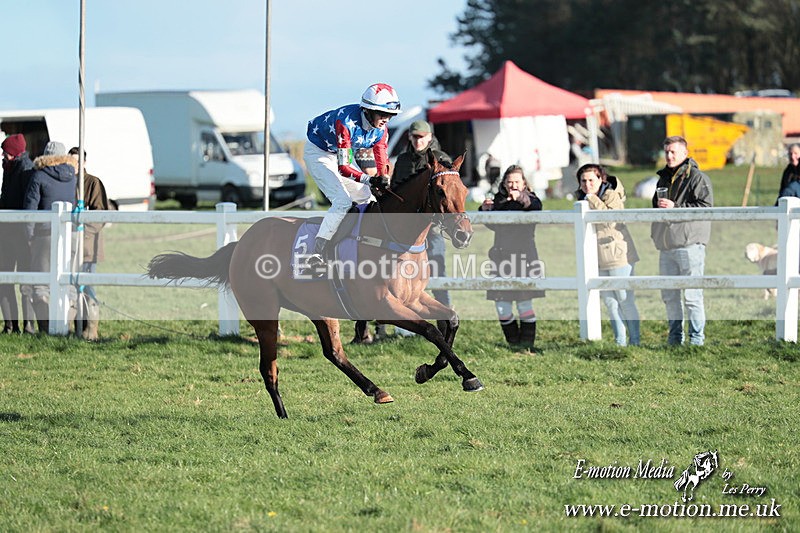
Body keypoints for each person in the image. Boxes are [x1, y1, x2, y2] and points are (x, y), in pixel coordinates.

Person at [303, 83, 400, 271]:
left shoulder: (382, 128)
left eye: (390, 115)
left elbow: (381, 157)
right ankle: (316, 253)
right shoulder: (345, 122)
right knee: (342, 201)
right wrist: (370, 180)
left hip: (336, 152)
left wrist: (383, 178)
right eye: (382, 114)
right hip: (318, 153)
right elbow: (344, 168)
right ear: (368, 110)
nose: (386, 120)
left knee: (368, 198)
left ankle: (361, 245)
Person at [651, 136, 713, 346]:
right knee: (669, 295)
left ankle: (696, 340)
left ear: (685, 153)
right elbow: (656, 207)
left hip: (690, 244)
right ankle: (675, 338)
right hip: (666, 244)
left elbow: (705, 208)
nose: (669, 155)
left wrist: (675, 208)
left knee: (692, 295)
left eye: (673, 152)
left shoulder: (697, 178)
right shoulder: (663, 179)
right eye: (667, 151)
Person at [393, 120, 453, 336]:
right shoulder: (402, 160)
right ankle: (407, 324)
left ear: (429, 137)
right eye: (414, 136)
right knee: (401, 275)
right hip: (405, 230)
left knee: (438, 271)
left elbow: (447, 194)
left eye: (421, 137)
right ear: (409, 137)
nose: (418, 140)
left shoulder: (441, 159)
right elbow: (396, 191)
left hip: (433, 229)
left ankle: (445, 321)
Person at [479, 165, 544, 351]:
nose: (513, 185)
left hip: (524, 259)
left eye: (517, 181)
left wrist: (520, 198)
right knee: (502, 307)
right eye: (509, 181)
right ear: (504, 183)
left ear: (524, 183)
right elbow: (494, 227)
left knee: (524, 304)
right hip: (500, 260)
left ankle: (527, 346)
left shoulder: (530, 198)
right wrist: (485, 211)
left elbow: (536, 207)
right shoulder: (499, 200)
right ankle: (514, 346)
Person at [575, 164, 640, 346]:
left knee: (625, 300)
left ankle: (635, 341)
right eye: (583, 181)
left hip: (618, 255)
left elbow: (609, 219)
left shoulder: (610, 195)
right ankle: (620, 341)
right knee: (610, 303)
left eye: (591, 180)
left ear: (600, 179)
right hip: (596, 257)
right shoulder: (582, 199)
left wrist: (592, 199)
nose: (587, 184)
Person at [22, 141, 78, 333]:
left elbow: (31, 207)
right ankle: (65, 325)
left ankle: (46, 328)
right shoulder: (72, 177)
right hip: (69, 233)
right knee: (68, 283)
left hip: (44, 234)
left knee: (41, 284)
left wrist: (29, 236)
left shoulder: (39, 175)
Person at [69, 147, 117, 340]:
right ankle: (76, 327)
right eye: (71, 161)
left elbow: (100, 216)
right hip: (70, 247)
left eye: (77, 162)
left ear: (84, 163)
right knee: (72, 286)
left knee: (88, 286)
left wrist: (80, 233)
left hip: (88, 246)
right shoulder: (66, 183)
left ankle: (92, 329)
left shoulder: (93, 183)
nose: (74, 166)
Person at [0, 134, 36, 334]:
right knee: (5, 278)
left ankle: (26, 324)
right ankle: (11, 324)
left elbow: (26, 202)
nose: (3, 156)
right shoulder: (11, 169)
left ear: (14, 153)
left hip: (21, 235)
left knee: (24, 281)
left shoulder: (24, 170)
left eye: (5, 152)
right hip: (8, 233)